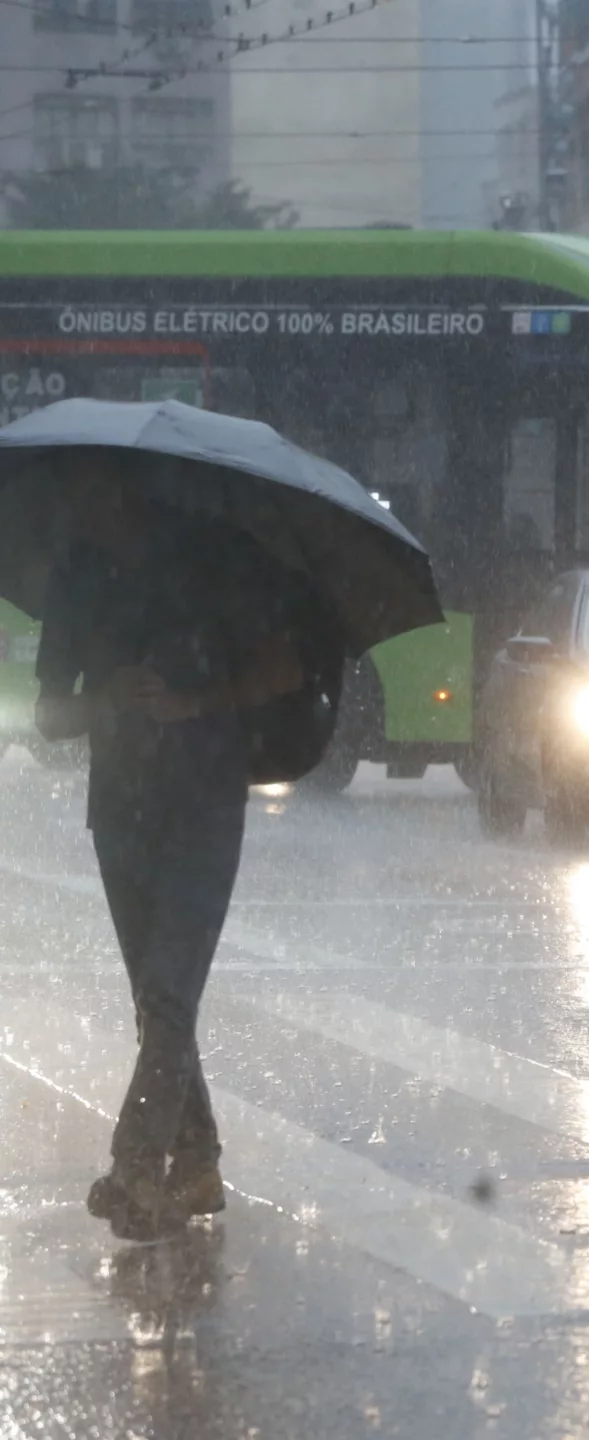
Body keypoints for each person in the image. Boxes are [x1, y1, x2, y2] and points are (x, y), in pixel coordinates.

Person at [33, 452, 309, 1241]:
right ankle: (196, 1162)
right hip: (118, 812)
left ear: (118, 485)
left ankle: (134, 1169)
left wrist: (193, 702)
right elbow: (50, 715)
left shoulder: (213, 557)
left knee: (166, 996)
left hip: (203, 804)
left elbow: (284, 666)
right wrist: (105, 700)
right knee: (158, 1004)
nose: (74, 503)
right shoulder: (75, 574)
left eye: (84, 486)